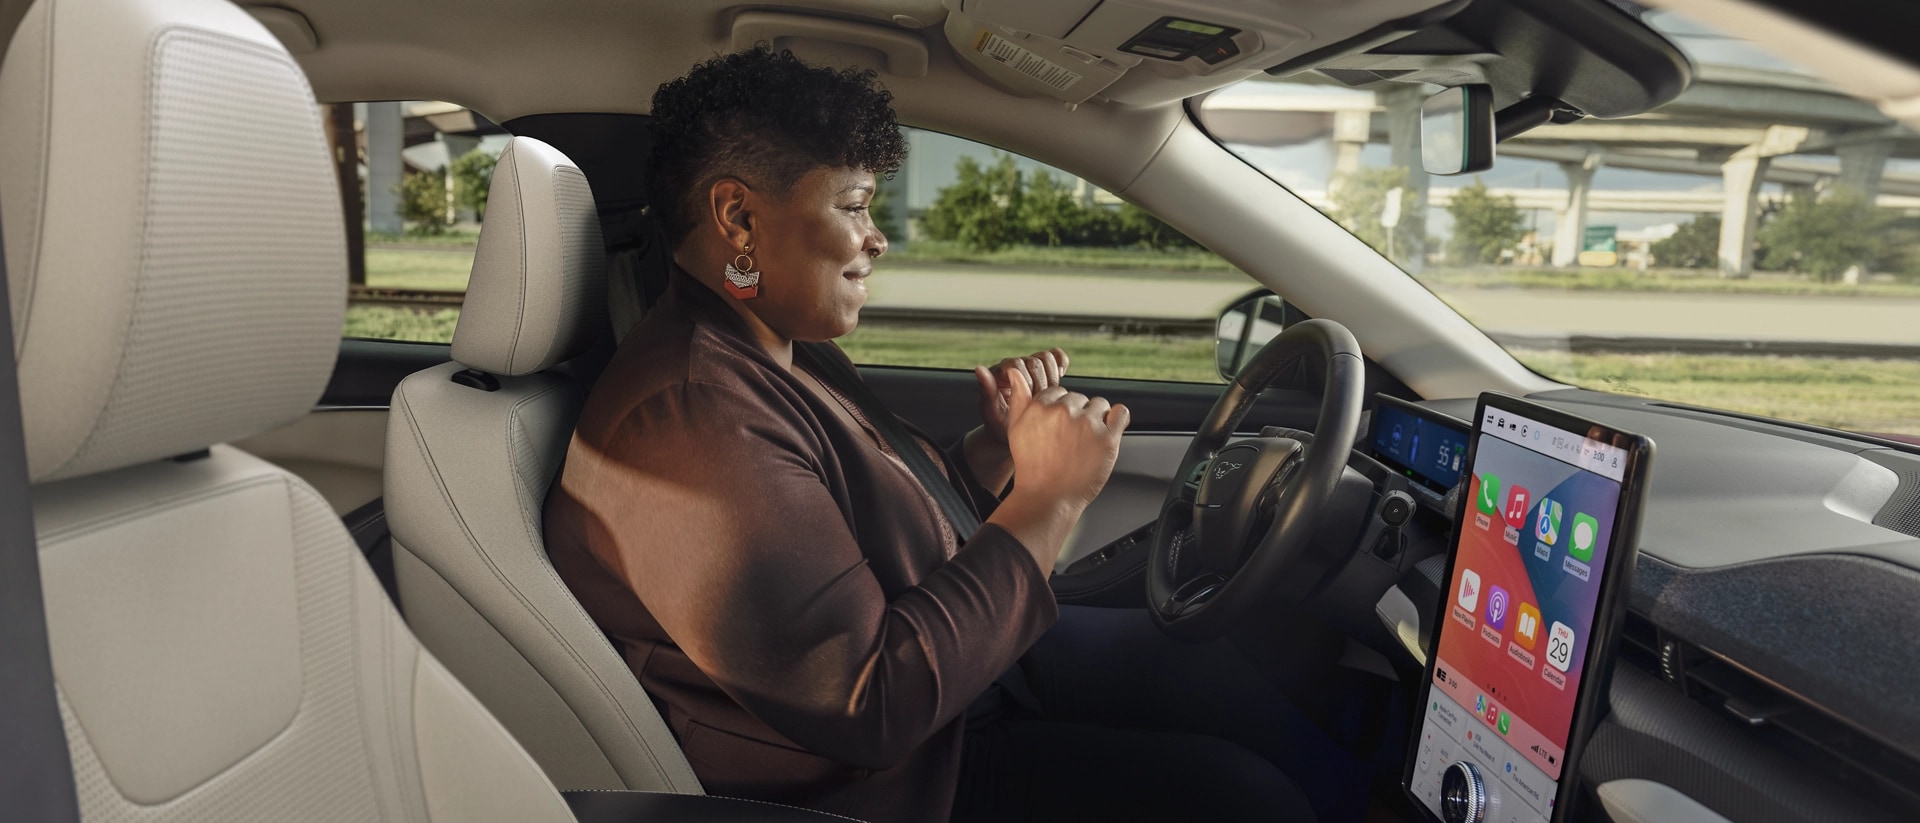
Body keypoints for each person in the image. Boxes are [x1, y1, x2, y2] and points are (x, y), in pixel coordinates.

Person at [544, 47, 1318, 823]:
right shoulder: (690, 417)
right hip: (913, 782)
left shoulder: (773, 348)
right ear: (739, 217)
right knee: (1248, 799)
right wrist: (1048, 498)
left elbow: (853, 533)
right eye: (853, 206)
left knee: (1232, 673)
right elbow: (868, 701)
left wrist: (990, 454)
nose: (876, 237)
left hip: (962, 693)